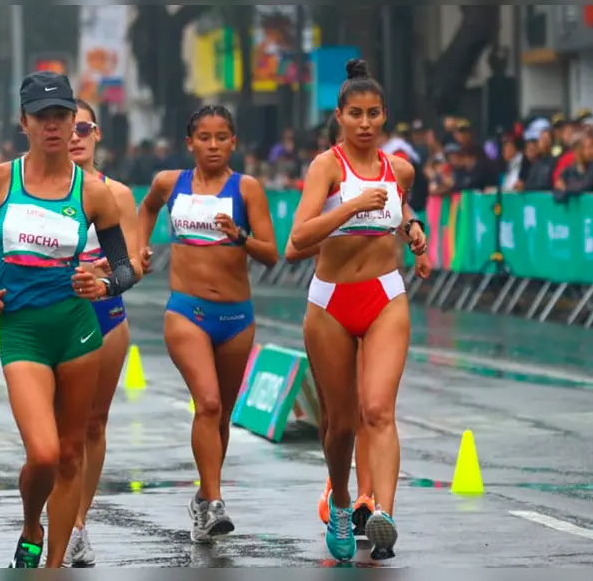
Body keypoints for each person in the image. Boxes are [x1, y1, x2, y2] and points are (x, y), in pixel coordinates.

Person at [0, 71, 139, 568]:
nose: (53, 126)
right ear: (24, 122)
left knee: (71, 456)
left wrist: (105, 284)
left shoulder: (93, 193)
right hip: (22, 331)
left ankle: (52, 566)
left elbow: (126, 267)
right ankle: (31, 524)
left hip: (77, 329)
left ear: (74, 123)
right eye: (42, 117)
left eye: (62, 117)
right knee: (44, 454)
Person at [289, 59, 426, 562]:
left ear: (384, 116)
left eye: (374, 114)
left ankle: (382, 511)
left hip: (385, 294)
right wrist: (349, 207)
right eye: (355, 114)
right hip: (330, 302)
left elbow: (400, 204)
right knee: (341, 424)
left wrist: (413, 228)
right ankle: (343, 502)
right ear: (341, 117)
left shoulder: (400, 170)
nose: (365, 123)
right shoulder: (326, 167)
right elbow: (297, 239)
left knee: (378, 410)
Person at [137, 105, 278, 543]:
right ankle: (215, 502)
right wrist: (137, 247)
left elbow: (272, 254)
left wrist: (240, 236)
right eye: (204, 137)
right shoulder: (170, 182)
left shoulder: (247, 188)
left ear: (233, 142)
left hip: (237, 317)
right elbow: (145, 209)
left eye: (221, 138)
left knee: (221, 417)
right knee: (209, 403)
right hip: (186, 311)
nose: (213, 145)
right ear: (190, 143)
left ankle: (203, 498)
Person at [60, 99, 144, 567]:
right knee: (54, 431)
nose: (74, 136)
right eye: (65, 127)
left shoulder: (119, 194)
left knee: (92, 423)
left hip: (105, 313)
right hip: (50, 315)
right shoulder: (37, 189)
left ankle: (77, 526)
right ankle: (50, 515)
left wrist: (102, 273)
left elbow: (128, 263)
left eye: (84, 128)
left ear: (97, 135)